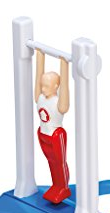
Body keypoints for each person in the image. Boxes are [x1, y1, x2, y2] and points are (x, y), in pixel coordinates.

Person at [34, 49, 71, 204]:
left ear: (56, 86)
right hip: (43, 134)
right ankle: (56, 185)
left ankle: (63, 187)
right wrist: (40, 55)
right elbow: (38, 77)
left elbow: (65, 86)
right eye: (42, 85)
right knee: (50, 161)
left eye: (47, 86)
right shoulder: (40, 97)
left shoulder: (59, 103)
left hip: (56, 135)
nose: (43, 89)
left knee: (59, 163)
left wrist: (64, 63)